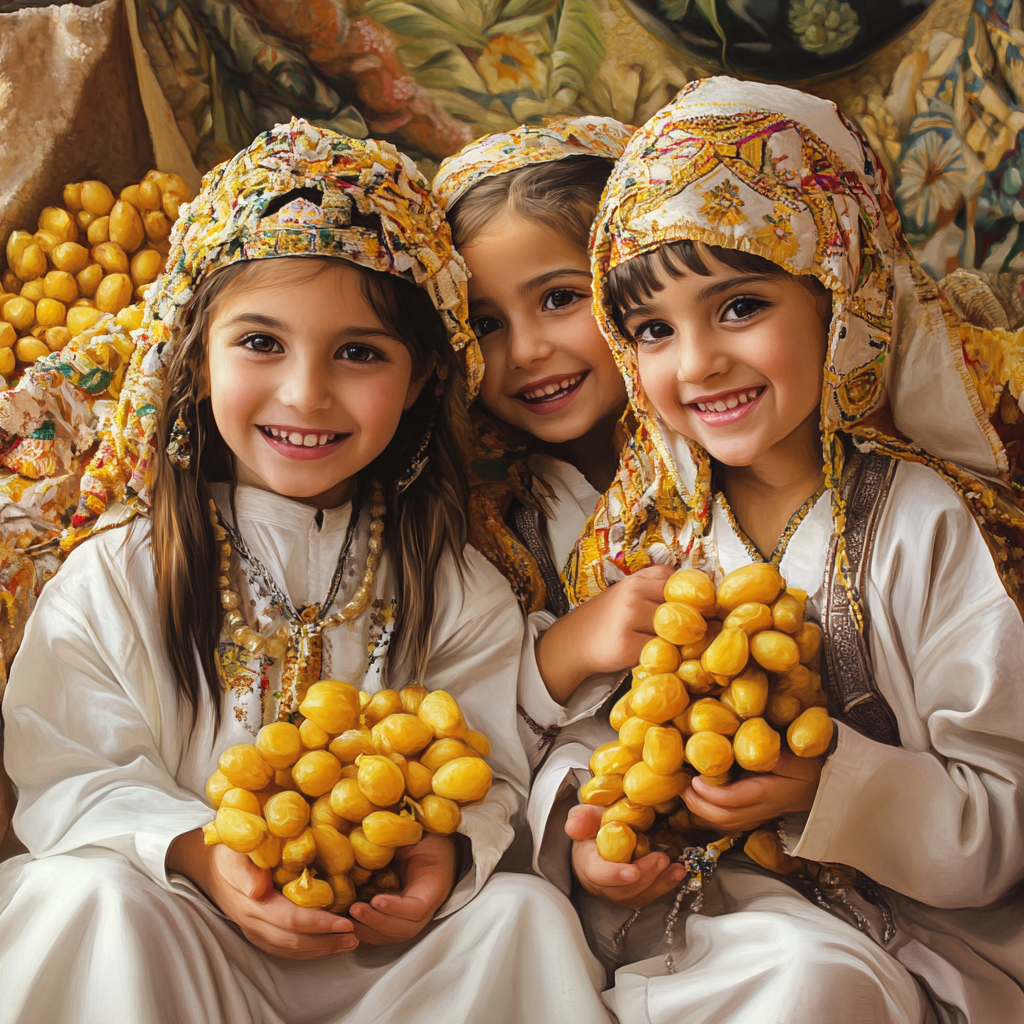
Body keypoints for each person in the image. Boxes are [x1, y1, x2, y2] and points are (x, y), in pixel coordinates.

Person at [0, 120, 610, 1024]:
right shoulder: (116, 577)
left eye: (359, 352)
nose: (305, 394)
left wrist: (441, 854)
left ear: (418, 384)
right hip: (182, 924)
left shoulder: (460, 589)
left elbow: (488, 770)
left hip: (391, 952)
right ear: (195, 360)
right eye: (260, 343)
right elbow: (71, 773)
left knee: (522, 914)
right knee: (82, 901)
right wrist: (201, 852)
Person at [534, 78, 1024, 1023]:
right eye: (651, 330)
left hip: (928, 938)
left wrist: (828, 783)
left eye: (740, 306)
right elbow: (593, 747)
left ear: (840, 294)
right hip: (718, 917)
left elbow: (1006, 810)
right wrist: (596, 843)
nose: (697, 363)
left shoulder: (922, 523)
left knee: (813, 989)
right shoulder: (643, 534)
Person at [433, 118, 675, 771]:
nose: (527, 350)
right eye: (484, 323)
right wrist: (560, 655)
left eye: (560, 298)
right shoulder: (482, 526)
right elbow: (461, 740)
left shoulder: (737, 457)